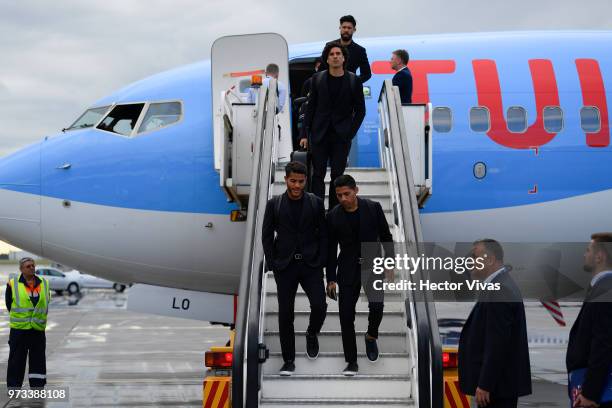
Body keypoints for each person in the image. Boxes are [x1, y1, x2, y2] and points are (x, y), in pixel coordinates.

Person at [262, 161, 328, 376]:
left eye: (301, 181)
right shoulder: (274, 204)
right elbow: (266, 235)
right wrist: (273, 262)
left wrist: (320, 259)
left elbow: (324, 233)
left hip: (310, 265)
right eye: (293, 181)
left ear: (306, 180)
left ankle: (311, 333)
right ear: (286, 180)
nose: (297, 185)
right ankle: (288, 360)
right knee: (285, 315)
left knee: (319, 305)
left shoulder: (316, 203)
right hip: (286, 266)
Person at [326, 175, 394, 376]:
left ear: (356, 190)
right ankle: (352, 361)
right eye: (339, 195)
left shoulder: (373, 208)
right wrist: (330, 279)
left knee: (377, 306)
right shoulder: (332, 216)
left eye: (347, 194)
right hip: (347, 269)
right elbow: (330, 250)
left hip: (372, 266)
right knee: (346, 316)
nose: (343, 198)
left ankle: (371, 336)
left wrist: (389, 262)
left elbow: (386, 236)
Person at [458, 239, 531, 407]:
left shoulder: (500, 290)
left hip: (497, 390)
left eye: (474, 257)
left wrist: (485, 384)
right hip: (498, 388)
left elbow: (497, 343)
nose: (470, 262)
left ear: (489, 260)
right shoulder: (498, 286)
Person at [301, 42, 366, 209]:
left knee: (338, 176)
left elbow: (360, 111)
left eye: (338, 54)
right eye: (332, 54)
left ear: (344, 58)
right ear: (327, 59)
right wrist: (303, 134)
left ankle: (334, 211)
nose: (335, 56)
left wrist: (350, 133)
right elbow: (310, 108)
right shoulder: (317, 79)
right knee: (318, 175)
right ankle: (317, 210)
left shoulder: (354, 80)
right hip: (319, 134)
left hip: (341, 136)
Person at [566, 233, 612, 408]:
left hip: (598, 394)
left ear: (600, 256)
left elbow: (603, 344)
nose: (585, 255)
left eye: (588, 250)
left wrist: (590, 393)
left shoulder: (605, 288)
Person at [5, 257, 51, 389]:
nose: (32, 268)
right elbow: (9, 304)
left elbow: (46, 302)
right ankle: (14, 387)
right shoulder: (12, 284)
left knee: (38, 360)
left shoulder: (44, 283)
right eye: (28, 266)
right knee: (16, 360)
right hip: (19, 330)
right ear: (21, 269)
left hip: (37, 329)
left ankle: (37, 386)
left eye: (33, 265)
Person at [320, 15, 371, 84]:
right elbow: (321, 69)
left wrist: (353, 83)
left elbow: (367, 74)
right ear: (340, 28)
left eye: (349, 28)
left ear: (354, 30)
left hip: (349, 92)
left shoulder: (360, 51)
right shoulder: (329, 46)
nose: (346, 30)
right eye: (344, 27)